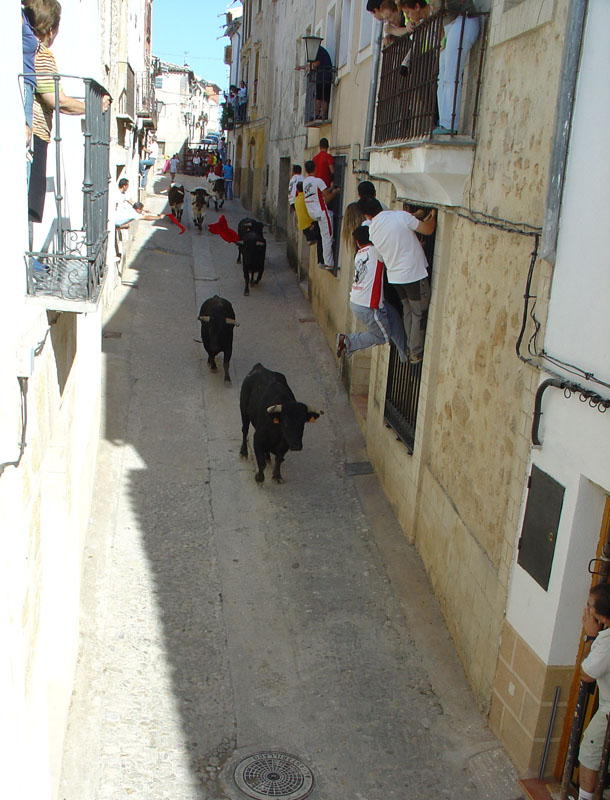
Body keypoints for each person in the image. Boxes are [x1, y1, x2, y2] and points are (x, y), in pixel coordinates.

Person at [26, 0, 110, 222]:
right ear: (52, 29)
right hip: (37, 135)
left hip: (34, 134)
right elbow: (58, 101)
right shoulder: (41, 54)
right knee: (31, 209)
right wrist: (92, 107)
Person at [360, 197, 436, 363]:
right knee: (419, 312)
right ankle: (415, 351)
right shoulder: (400, 216)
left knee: (408, 310)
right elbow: (428, 230)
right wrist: (434, 215)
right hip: (413, 275)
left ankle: (411, 347)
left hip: (395, 278)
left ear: (367, 215)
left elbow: (380, 256)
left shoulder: (373, 231)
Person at [402, 0, 479, 134]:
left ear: (417, 6)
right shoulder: (430, 12)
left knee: (451, 75)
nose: (408, 16)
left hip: (464, 20)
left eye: (408, 12)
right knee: (441, 77)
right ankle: (444, 123)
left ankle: (450, 125)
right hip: (452, 27)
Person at [336, 226, 409, 362]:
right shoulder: (377, 251)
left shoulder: (359, 254)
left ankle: (404, 355)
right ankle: (348, 341)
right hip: (369, 306)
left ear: (358, 243)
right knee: (383, 337)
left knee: (394, 318)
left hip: (359, 302)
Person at [577, 583, 610, 800]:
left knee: (589, 753)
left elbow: (586, 674)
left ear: (602, 617)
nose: (586, 610)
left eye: (590, 606)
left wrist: (590, 637)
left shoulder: (606, 642)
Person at [302, 160, 340, 270]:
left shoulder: (305, 183)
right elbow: (327, 197)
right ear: (315, 168)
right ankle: (329, 262)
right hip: (321, 212)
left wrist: (330, 189)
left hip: (312, 212)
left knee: (325, 233)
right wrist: (336, 192)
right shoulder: (318, 181)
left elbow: (320, 194)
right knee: (327, 237)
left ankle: (323, 259)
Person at [294, 181, 323, 264]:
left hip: (304, 228)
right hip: (310, 226)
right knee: (322, 238)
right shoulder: (306, 198)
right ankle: (321, 260)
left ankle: (310, 239)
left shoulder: (297, 199)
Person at [312, 45, 333, 120]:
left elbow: (316, 63)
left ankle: (318, 114)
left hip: (322, 77)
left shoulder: (318, 51)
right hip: (327, 76)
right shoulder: (322, 51)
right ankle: (321, 114)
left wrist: (310, 67)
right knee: (324, 97)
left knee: (319, 97)